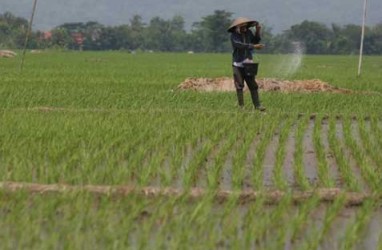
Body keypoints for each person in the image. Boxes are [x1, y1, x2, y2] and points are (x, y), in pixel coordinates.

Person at [227, 17, 265, 111]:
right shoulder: (234, 36)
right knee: (239, 85)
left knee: (253, 85)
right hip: (237, 64)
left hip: (248, 62)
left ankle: (257, 105)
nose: (245, 28)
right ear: (237, 27)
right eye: (242, 26)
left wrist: (258, 30)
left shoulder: (248, 33)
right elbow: (239, 45)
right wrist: (253, 46)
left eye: (246, 26)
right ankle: (241, 106)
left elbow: (256, 41)